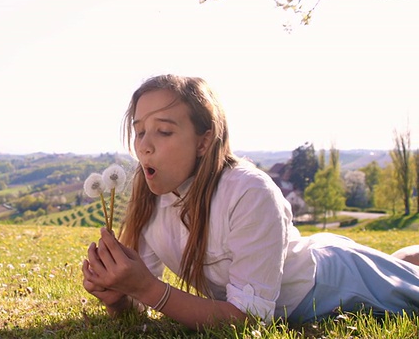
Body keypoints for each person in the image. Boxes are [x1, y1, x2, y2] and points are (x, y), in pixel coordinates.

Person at [81, 74, 419, 330]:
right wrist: (118, 297)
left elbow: (249, 321)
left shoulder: (249, 192)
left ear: (204, 141)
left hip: (338, 281)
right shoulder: (151, 201)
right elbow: (138, 306)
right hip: (300, 258)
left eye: (163, 131)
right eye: (140, 131)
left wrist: (149, 289)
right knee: (405, 262)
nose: (144, 146)